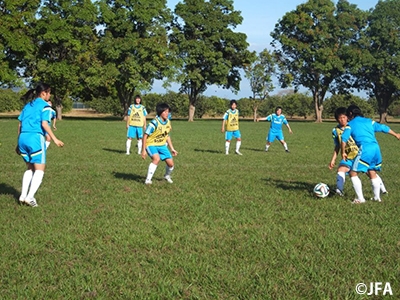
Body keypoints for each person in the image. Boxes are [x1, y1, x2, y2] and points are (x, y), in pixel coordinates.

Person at [16, 83, 64, 207]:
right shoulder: (45, 106)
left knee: (30, 168)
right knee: (39, 170)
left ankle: (22, 195)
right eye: (49, 93)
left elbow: (20, 124)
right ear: (44, 93)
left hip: (23, 138)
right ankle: (30, 197)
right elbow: (44, 124)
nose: (50, 95)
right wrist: (55, 139)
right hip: (35, 138)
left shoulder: (27, 106)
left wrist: (18, 142)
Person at [341, 105, 400, 204]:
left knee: (353, 173)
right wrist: (396, 134)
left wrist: (343, 152)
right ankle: (377, 198)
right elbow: (383, 128)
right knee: (371, 171)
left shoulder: (349, 125)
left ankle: (360, 199)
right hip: (376, 148)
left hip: (365, 148)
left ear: (350, 114)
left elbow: (344, 139)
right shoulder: (369, 121)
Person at [329, 107, 387, 197]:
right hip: (348, 156)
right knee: (341, 169)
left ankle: (383, 190)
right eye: (339, 118)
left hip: (359, 154)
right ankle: (339, 191)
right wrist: (333, 159)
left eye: (344, 117)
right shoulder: (336, 131)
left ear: (348, 117)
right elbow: (338, 146)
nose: (342, 120)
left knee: (370, 171)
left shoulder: (353, 126)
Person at [141, 103, 177, 185]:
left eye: (168, 111)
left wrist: (172, 148)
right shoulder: (154, 123)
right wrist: (143, 150)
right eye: (165, 111)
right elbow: (145, 135)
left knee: (171, 164)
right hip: (151, 144)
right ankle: (148, 180)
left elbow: (167, 136)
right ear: (160, 112)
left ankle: (167, 176)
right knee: (156, 159)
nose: (167, 113)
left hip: (162, 145)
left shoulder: (168, 122)